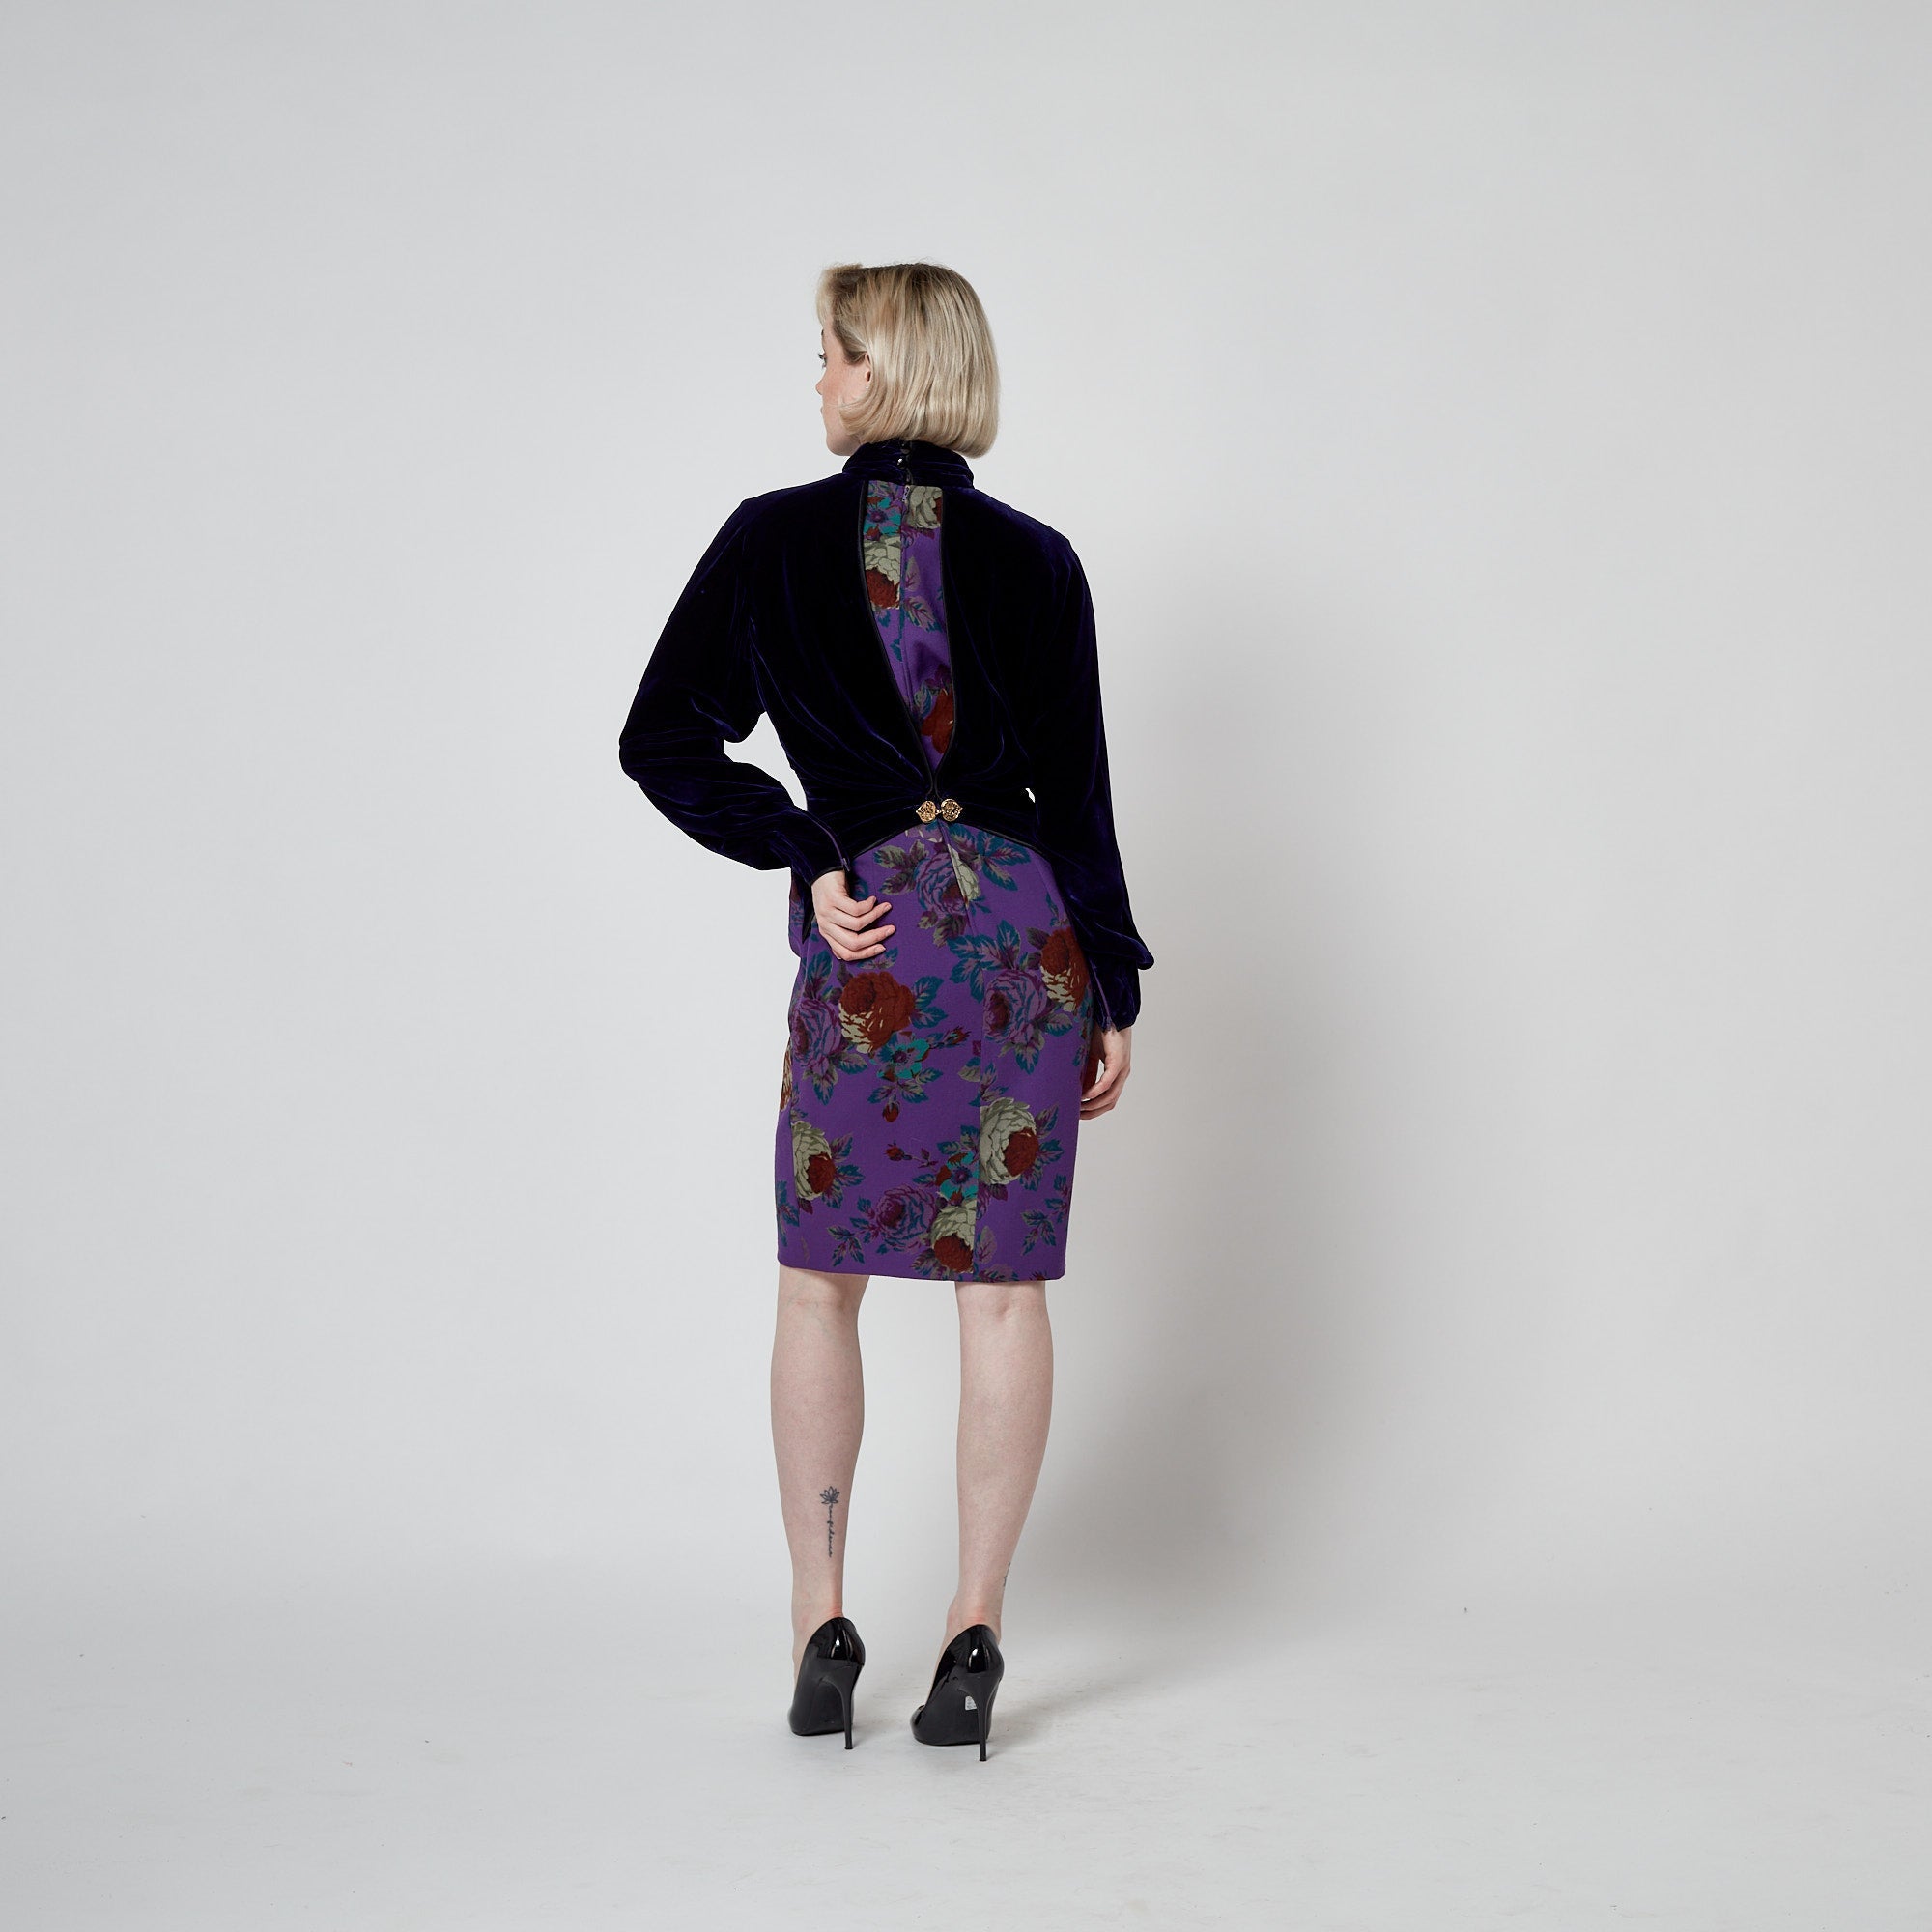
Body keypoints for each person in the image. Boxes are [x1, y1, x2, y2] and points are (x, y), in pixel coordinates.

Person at [617, 261, 1152, 1760]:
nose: (819, 379)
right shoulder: (1039, 559)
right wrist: (1109, 977)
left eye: (833, 354)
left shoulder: (769, 539)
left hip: (876, 943)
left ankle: (821, 1626)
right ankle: (974, 1633)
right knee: (1005, 1294)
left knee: (817, 1286)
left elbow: (661, 738)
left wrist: (806, 848)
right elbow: (1079, 795)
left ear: (887, 370)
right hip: (1021, 945)